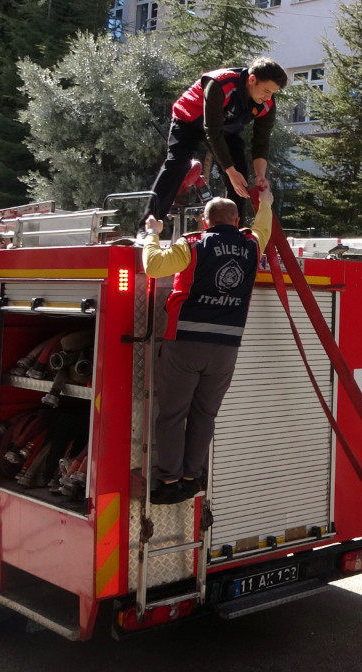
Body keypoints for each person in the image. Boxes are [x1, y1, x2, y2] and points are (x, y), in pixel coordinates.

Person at [142, 189, 274, 504]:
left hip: (186, 344)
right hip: (226, 348)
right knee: (205, 414)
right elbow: (264, 226)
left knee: (173, 415)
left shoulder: (193, 246)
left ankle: (170, 480)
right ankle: (192, 478)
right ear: (237, 221)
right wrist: (265, 200)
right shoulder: (252, 246)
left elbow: (153, 267)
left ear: (204, 221)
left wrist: (151, 235)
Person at [146, 57, 289, 225]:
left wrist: (260, 175)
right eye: (266, 90)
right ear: (252, 80)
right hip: (189, 119)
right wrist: (229, 171)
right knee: (177, 164)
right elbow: (212, 132)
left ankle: (233, 230)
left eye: (273, 92)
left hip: (226, 129)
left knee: (240, 174)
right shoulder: (220, 83)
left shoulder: (267, 103)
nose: (268, 97)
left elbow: (261, 141)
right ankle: (149, 224)